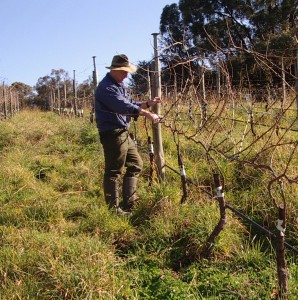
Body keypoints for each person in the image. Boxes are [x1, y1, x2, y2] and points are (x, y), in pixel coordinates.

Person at [95, 54, 161, 215]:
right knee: (114, 171)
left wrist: (147, 104)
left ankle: (130, 200)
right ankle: (113, 209)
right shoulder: (106, 88)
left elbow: (130, 103)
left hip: (123, 132)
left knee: (136, 163)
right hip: (113, 133)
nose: (127, 74)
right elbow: (122, 106)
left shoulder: (119, 85)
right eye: (124, 71)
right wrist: (148, 114)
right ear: (115, 70)